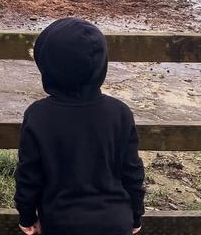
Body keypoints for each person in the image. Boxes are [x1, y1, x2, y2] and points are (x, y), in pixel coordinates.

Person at [15, 18, 145, 235]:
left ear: (48, 66)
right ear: (101, 64)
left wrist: (26, 215)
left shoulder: (38, 115)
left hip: (60, 221)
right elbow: (132, 172)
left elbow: (29, 174)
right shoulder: (120, 113)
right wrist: (136, 214)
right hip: (115, 221)